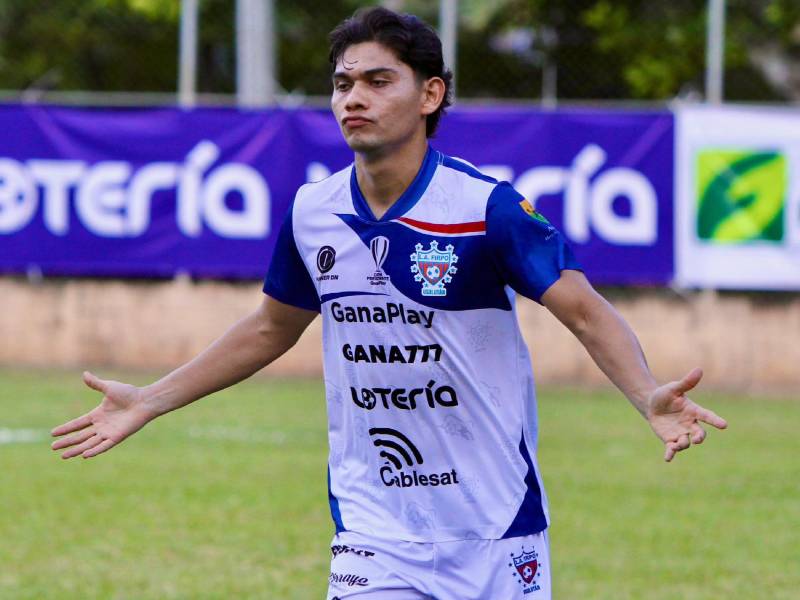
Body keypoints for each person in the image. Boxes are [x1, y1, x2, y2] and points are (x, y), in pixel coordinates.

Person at [51, 7, 727, 599]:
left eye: (378, 81)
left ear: (430, 94)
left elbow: (582, 309)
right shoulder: (313, 211)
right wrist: (149, 400)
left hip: (494, 530)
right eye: (343, 83)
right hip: (374, 529)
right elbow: (270, 328)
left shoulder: (485, 209)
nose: (354, 98)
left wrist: (646, 396)